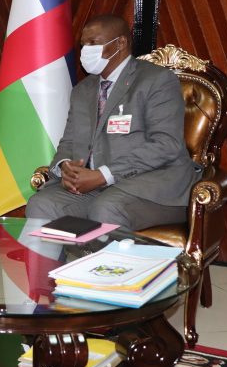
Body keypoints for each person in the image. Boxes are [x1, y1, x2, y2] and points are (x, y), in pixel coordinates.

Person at [25, 14, 199, 230]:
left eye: (93, 43)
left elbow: (166, 144)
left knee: (106, 208)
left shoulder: (156, 80)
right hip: (95, 188)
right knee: (41, 204)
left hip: (149, 186)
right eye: (83, 45)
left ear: (120, 43)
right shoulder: (82, 90)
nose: (86, 51)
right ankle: (62, 256)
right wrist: (65, 167)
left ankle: (109, 255)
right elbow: (69, 141)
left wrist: (104, 175)